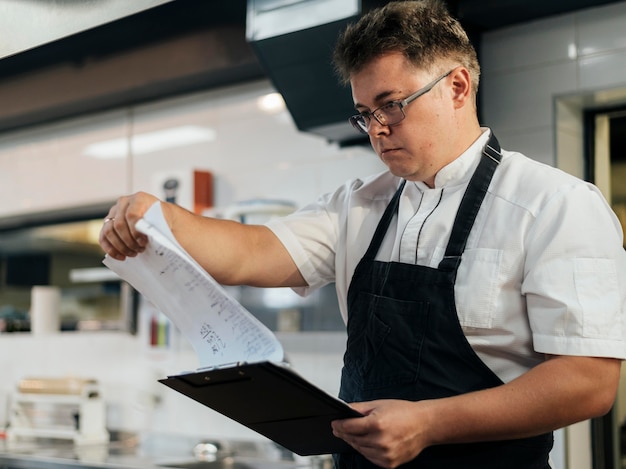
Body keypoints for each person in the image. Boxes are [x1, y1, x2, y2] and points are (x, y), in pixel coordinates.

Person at [100, 1, 626, 467]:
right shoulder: (359, 205)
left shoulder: (554, 204)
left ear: (458, 87)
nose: (376, 130)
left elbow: (588, 381)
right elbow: (251, 253)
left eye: (391, 105)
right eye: (364, 114)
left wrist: (428, 424)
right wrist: (157, 220)